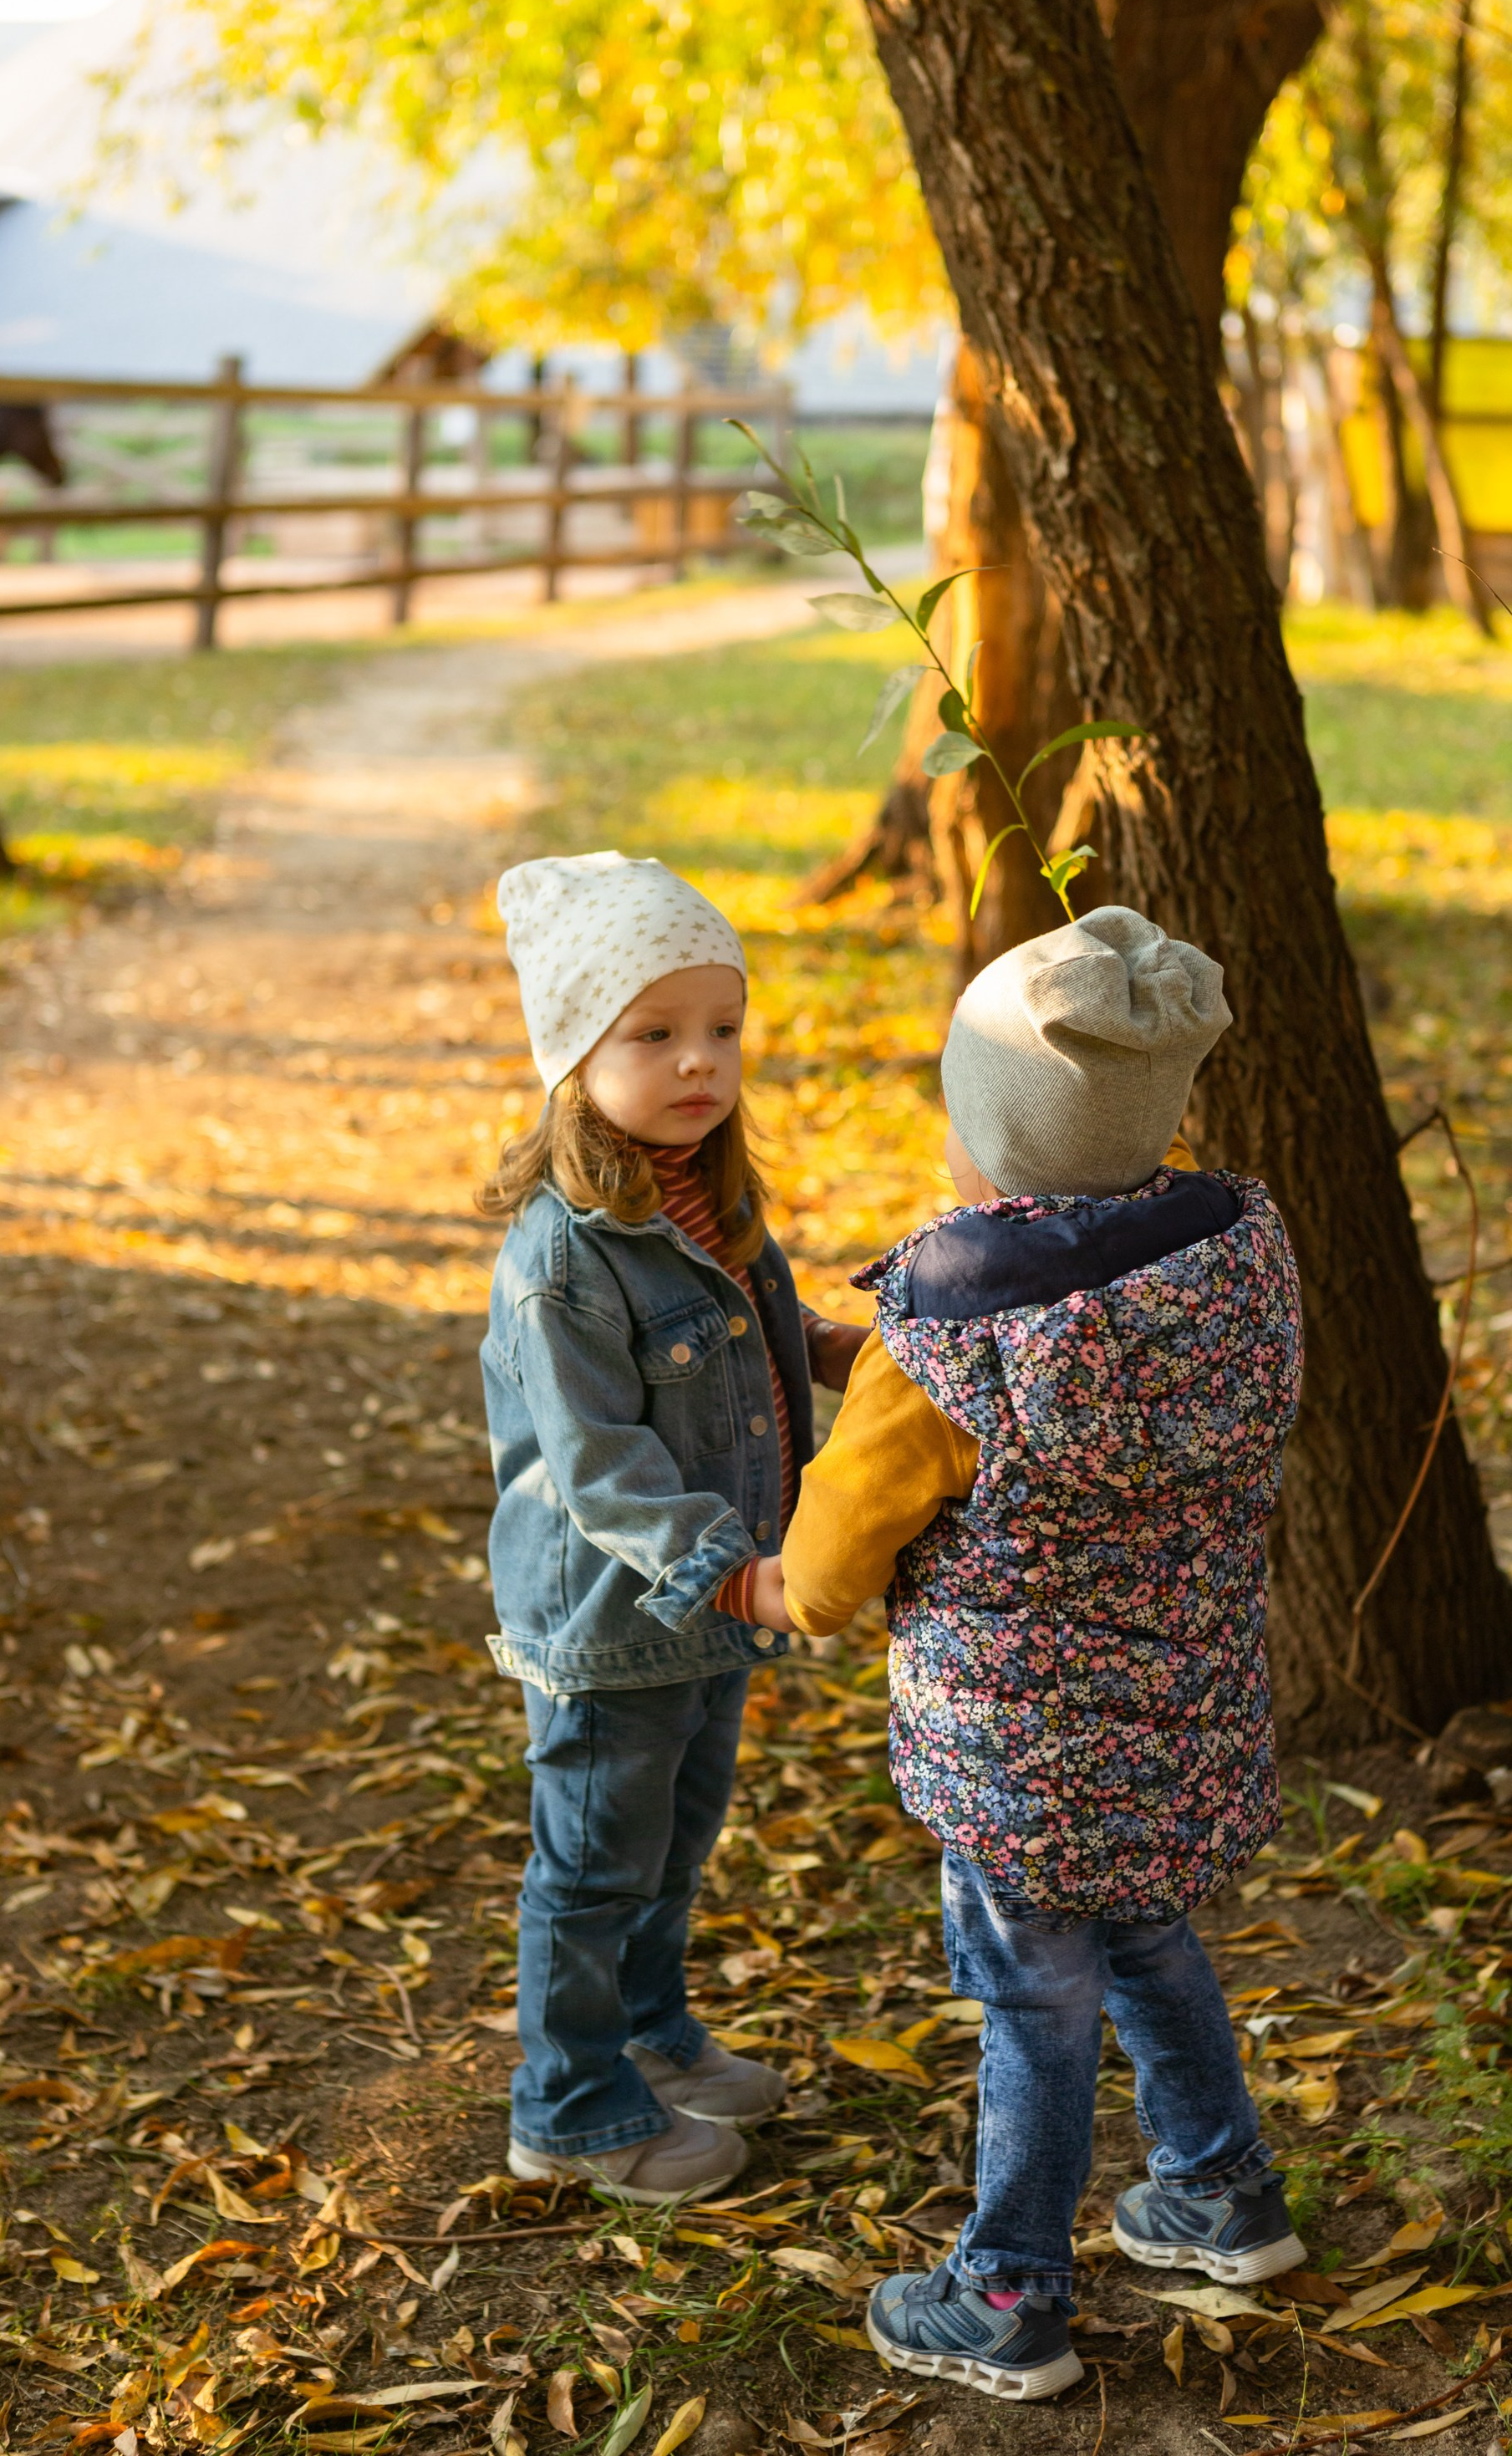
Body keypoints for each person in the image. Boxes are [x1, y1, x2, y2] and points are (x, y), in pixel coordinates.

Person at [776, 905, 1306, 2401]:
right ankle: (1221, 2191)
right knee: (1148, 1936)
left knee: (1035, 2005)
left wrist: (761, 1588)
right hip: (1181, 1715)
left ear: (990, 1130)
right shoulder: (1230, 1259)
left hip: (1019, 1759)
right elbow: (1064, 1388)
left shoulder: (948, 1336)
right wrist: (863, 1352)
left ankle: (1010, 2293)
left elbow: (829, 1567)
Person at [477, 851, 867, 2205]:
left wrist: (832, 1351)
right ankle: (571, 2105)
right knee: (592, 1861)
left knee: (674, 1835)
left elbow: (755, 1330)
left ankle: (647, 2033)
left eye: (722, 1029)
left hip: (708, 1612)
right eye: (653, 1034)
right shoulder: (563, 1256)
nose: (699, 1064)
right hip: (617, 1617)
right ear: (575, 1050)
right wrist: (741, 1577)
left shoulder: (707, 1190)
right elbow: (601, 1467)